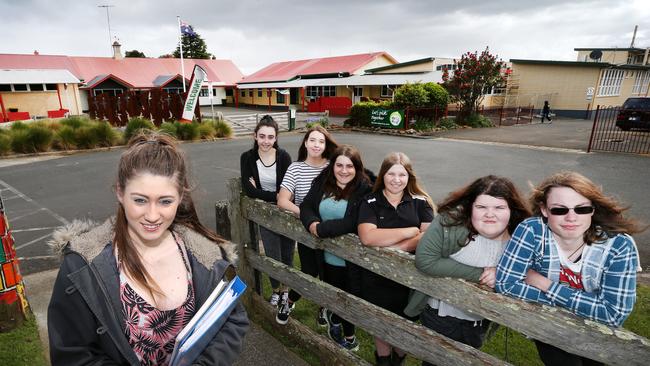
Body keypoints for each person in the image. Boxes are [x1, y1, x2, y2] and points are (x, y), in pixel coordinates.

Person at [47, 131, 249, 365]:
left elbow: (232, 321)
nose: (153, 216)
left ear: (180, 197)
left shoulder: (209, 259)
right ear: (120, 193)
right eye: (140, 200)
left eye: (165, 201)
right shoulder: (82, 266)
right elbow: (71, 353)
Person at [496, 171, 644, 366]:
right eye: (559, 210)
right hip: (549, 324)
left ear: (592, 209)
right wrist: (587, 304)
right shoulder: (532, 230)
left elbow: (612, 314)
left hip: (597, 331)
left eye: (581, 209)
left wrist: (546, 285)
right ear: (544, 210)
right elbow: (505, 284)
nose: (571, 218)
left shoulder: (618, 246)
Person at [404, 176, 531, 365]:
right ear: (471, 206)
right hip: (441, 314)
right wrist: (480, 273)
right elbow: (425, 260)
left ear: (511, 210)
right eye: (481, 207)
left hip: (478, 321)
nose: (490, 214)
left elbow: (536, 269)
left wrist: (501, 272)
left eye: (499, 207)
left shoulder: (522, 236)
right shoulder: (451, 223)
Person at [357, 152, 435, 366]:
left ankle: (399, 358)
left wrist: (395, 247)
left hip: (410, 279)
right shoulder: (370, 201)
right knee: (381, 321)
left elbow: (428, 238)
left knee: (405, 324)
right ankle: (383, 360)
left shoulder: (421, 203)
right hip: (377, 277)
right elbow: (367, 236)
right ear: (383, 175)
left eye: (402, 174)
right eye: (391, 174)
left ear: (409, 177)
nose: (396, 179)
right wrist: (409, 231)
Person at [300, 145, 374, 352]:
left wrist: (322, 229)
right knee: (332, 293)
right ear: (332, 166)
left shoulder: (365, 189)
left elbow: (354, 221)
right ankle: (333, 319)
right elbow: (306, 206)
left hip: (352, 260)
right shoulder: (324, 183)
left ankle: (349, 337)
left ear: (357, 168)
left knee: (349, 299)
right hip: (326, 256)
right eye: (339, 165)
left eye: (349, 166)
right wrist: (312, 223)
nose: (344, 170)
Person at [276, 125, 338, 325]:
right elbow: (283, 200)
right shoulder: (295, 168)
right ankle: (290, 301)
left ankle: (323, 308)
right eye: (313, 140)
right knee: (310, 271)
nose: (317, 145)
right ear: (305, 142)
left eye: (321, 141)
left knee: (328, 274)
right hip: (307, 230)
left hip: (331, 230)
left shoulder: (332, 168)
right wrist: (307, 215)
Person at [240, 115, 294, 307]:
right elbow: (249, 190)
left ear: (276, 138)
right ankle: (276, 291)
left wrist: (262, 193)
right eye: (262, 136)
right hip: (265, 214)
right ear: (255, 136)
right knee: (272, 254)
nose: (266, 141)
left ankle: (286, 291)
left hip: (286, 213)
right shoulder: (247, 158)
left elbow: (288, 190)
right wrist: (276, 195)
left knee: (287, 254)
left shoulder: (284, 157)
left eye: (270, 137)